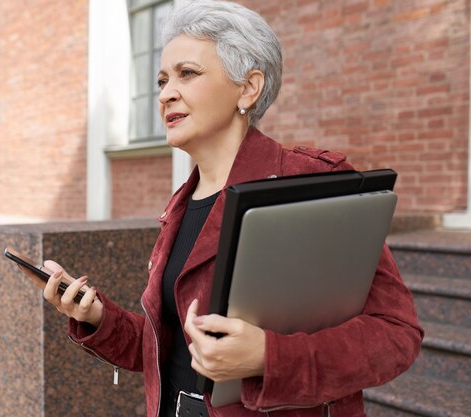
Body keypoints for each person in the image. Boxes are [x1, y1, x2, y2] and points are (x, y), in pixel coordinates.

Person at [41, 1, 423, 416]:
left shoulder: (312, 183)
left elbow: (397, 335)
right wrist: (98, 318)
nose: (166, 92)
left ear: (248, 88)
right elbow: (175, 352)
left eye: (187, 73)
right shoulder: (181, 205)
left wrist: (268, 356)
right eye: (162, 79)